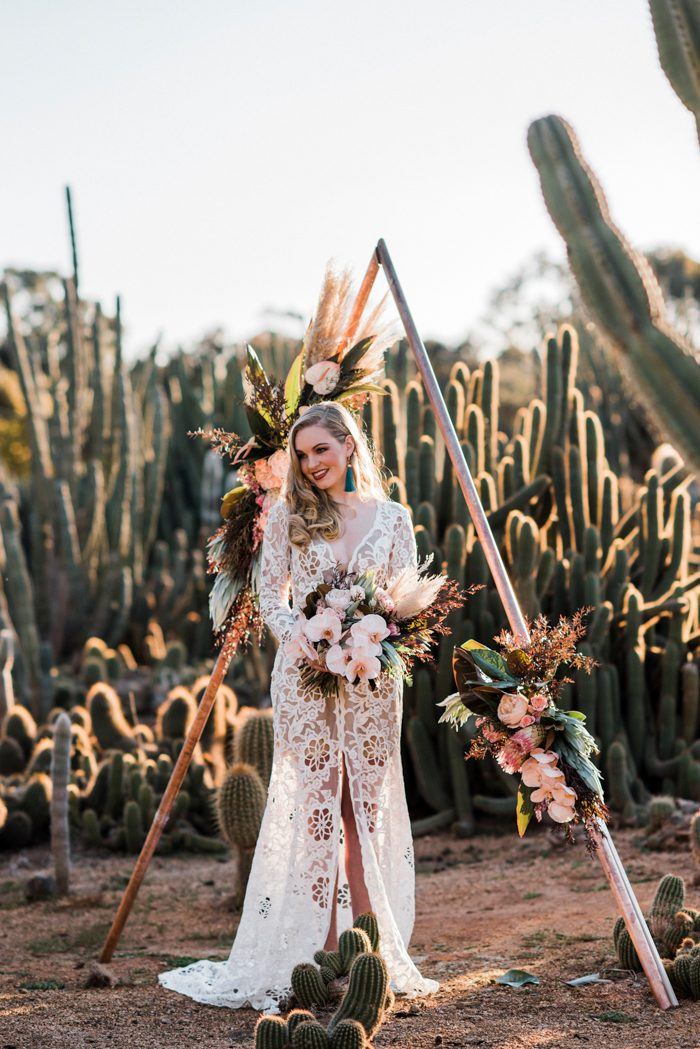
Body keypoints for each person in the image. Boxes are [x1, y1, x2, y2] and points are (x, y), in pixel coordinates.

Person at [159, 401, 439, 1012]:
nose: (313, 463)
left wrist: (375, 636)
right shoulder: (286, 517)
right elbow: (270, 597)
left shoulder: (393, 518)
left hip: (369, 683)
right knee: (318, 808)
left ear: (348, 445)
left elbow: (403, 602)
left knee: (364, 808)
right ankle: (318, 950)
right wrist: (308, 641)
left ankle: (368, 951)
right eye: (304, 453)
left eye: (322, 449)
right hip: (305, 681)